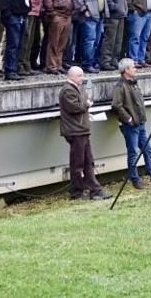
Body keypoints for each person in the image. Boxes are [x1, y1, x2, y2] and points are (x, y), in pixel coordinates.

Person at [111, 58, 151, 190]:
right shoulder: (120, 86)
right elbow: (116, 105)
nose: (135, 69)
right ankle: (135, 179)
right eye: (132, 67)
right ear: (126, 70)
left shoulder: (133, 83)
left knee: (148, 150)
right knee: (133, 153)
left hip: (140, 123)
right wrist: (129, 119)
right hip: (131, 126)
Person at [58, 66, 111, 201]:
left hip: (81, 130)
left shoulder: (74, 89)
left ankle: (95, 190)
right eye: (80, 76)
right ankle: (77, 192)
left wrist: (87, 113)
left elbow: (78, 109)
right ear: (72, 76)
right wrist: (87, 105)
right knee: (78, 163)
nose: (82, 78)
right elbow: (75, 108)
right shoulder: (67, 90)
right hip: (76, 132)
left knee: (88, 162)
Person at [0, 0, 31, 81]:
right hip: (13, 17)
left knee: (20, 44)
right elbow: (5, 1)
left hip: (22, 16)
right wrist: (8, 16)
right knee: (13, 44)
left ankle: (15, 68)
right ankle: (9, 70)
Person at [41, 0, 73, 75]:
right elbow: (47, 0)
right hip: (57, 15)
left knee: (62, 42)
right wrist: (52, 14)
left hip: (66, 15)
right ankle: (51, 65)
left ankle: (58, 64)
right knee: (54, 42)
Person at [100, 0, 128, 71]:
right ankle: (106, 61)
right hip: (112, 15)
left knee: (118, 40)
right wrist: (115, 7)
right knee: (110, 39)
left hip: (121, 15)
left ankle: (114, 60)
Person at [19, 0, 43, 76]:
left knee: (32, 40)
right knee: (25, 39)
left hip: (35, 11)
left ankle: (27, 63)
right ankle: (22, 64)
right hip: (29, 11)